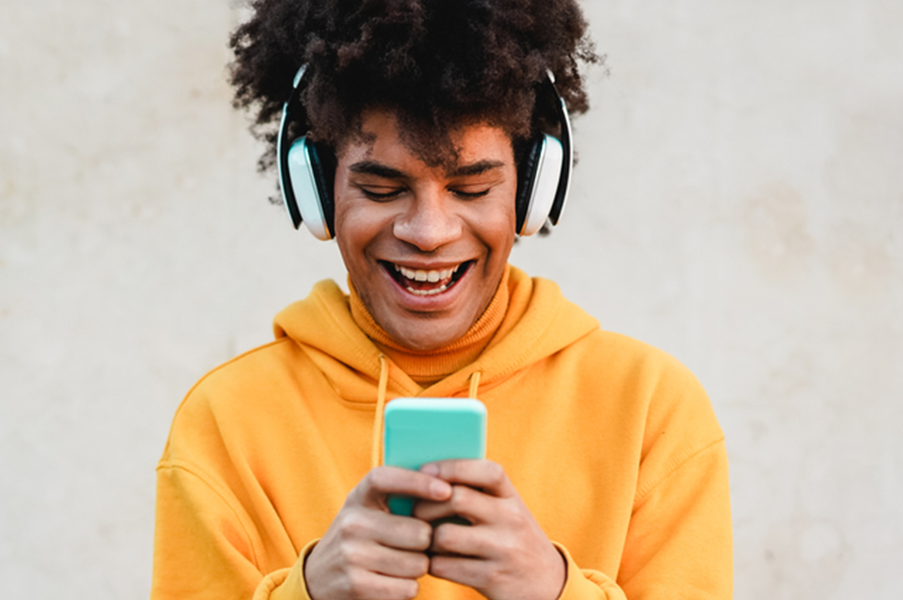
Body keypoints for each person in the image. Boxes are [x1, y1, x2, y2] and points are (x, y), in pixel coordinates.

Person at [151, 1, 733, 599]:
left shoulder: (651, 410)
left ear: (532, 190)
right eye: (381, 188)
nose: (429, 232)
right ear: (318, 190)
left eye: (472, 188)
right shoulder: (225, 422)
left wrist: (554, 590)